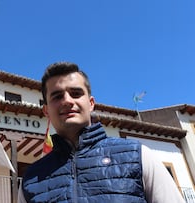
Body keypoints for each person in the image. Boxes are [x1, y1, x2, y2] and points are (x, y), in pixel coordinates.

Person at [18, 62, 184, 203]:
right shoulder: (30, 180)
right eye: (57, 96)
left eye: (75, 93)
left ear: (91, 103)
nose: (67, 101)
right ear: (46, 111)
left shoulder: (138, 156)